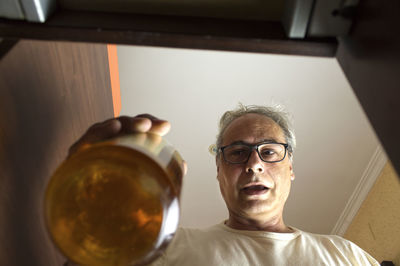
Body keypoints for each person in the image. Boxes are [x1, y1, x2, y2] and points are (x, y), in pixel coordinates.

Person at [69, 105, 379, 265]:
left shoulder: (345, 254)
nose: (253, 163)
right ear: (219, 171)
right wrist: (85, 202)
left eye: (269, 152)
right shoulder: (165, 248)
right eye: (237, 153)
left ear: (291, 167)